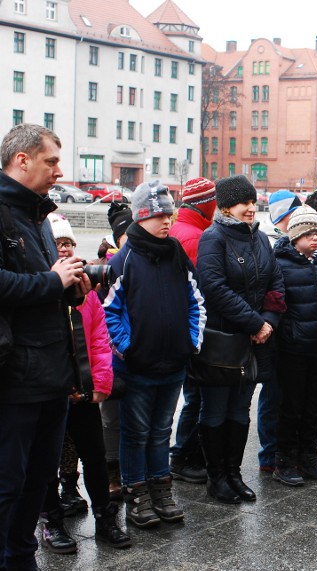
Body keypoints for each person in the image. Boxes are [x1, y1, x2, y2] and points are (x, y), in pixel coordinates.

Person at [0, 124, 88, 571]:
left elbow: (41, 285)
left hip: (52, 373)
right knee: (8, 484)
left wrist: (70, 286)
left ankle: (21, 559)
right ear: (22, 160)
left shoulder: (36, 215)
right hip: (15, 377)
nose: (59, 170)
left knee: (36, 483)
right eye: (51, 161)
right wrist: (53, 280)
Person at [103, 180, 205, 529]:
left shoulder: (176, 252)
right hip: (138, 367)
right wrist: (128, 349)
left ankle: (161, 487)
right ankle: (137, 492)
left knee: (162, 430)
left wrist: (191, 341)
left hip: (174, 363)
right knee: (135, 432)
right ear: (141, 217)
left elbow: (195, 302)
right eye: (159, 215)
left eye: (169, 214)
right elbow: (110, 312)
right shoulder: (125, 259)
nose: (167, 221)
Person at [39, 214, 131, 552]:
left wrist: (101, 382)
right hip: (48, 386)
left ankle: (106, 518)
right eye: (57, 244)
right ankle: (52, 520)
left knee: (93, 454)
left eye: (68, 244)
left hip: (82, 387)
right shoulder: (41, 285)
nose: (64, 250)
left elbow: (98, 337)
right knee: (46, 458)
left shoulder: (85, 290)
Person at [195, 175, 285, 503]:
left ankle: (234, 473)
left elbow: (276, 281)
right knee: (216, 408)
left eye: (252, 201)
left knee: (240, 408)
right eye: (243, 202)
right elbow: (214, 288)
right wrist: (254, 323)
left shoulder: (260, 238)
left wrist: (269, 322)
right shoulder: (213, 238)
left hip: (255, 340)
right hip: (223, 340)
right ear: (224, 207)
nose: (250, 207)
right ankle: (216, 477)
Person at [271, 206, 317, 486]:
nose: (315, 238)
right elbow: (278, 305)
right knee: (291, 407)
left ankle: (308, 457)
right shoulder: (281, 264)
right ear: (294, 237)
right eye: (309, 234)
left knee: (313, 406)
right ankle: (285, 461)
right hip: (293, 349)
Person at [169, 177, 218, 485]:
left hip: (183, 327)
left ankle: (182, 455)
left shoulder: (182, 229)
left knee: (193, 395)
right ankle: (183, 457)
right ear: (205, 204)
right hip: (196, 329)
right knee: (196, 396)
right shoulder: (196, 237)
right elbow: (204, 290)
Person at [256, 188, 303, 472]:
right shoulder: (271, 247)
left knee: (289, 397)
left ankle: (286, 451)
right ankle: (269, 454)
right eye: (292, 215)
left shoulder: (306, 242)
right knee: (273, 396)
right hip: (277, 333)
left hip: (296, 334)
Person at [101, 201, 133, 501]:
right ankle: (112, 473)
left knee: (134, 418)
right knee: (111, 420)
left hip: (135, 356)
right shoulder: (108, 267)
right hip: (113, 359)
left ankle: (132, 471)